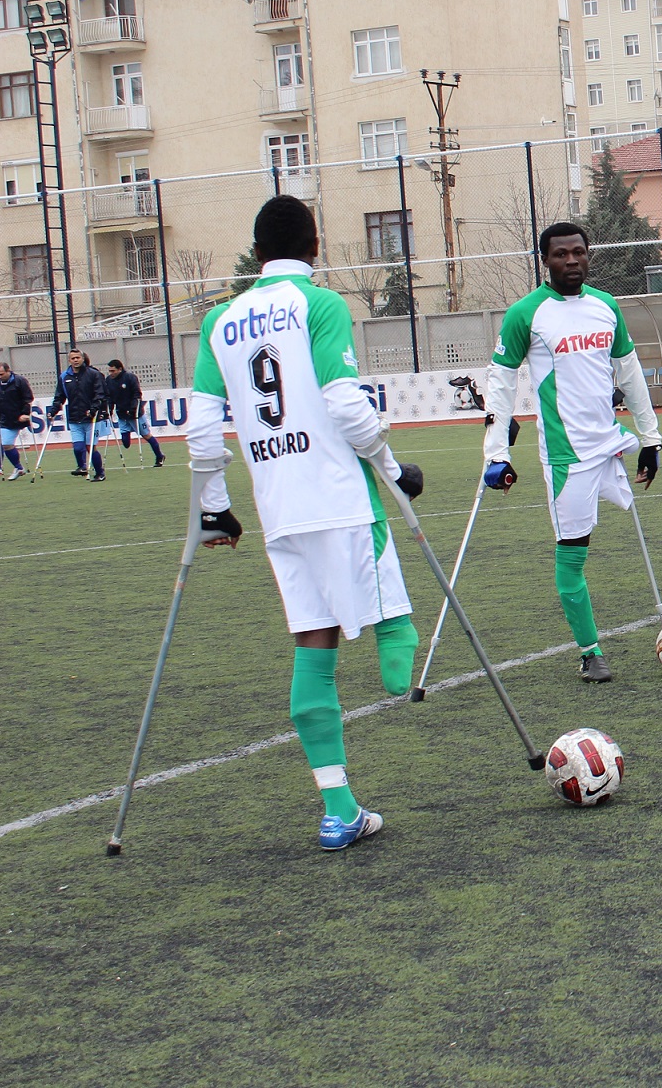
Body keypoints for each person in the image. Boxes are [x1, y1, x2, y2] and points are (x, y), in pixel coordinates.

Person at [186, 195, 424, 851]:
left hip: (278, 511)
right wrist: (392, 465)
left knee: (312, 651)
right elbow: (345, 405)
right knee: (395, 631)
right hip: (341, 498)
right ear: (314, 246)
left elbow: (204, 429)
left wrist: (213, 507)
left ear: (255, 250)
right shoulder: (320, 305)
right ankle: (394, 650)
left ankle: (338, 808)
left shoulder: (220, 320)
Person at [482, 221, 662, 683]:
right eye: (560, 254)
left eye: (578, 252)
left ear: (589, 254)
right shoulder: (527, 313)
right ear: (545, 260)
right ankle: (589, 651)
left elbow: (629, 373)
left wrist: (650, 439)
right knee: (573, 554)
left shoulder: (606, 306)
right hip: (565, 457)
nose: (571, 261)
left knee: (623, 539)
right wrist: (496, 453)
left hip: (611, 446)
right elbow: (500, 384)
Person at [48, 349, 108, 480]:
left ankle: (100, 473)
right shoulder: (64, 377)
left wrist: (93, 409)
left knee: (90, 447)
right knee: (77, 447)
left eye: (77, 357)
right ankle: (82, 467)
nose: (75, 360)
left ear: (82, 359)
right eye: (73, 358)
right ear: (69, 360)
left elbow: (99, 394)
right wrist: (53, 411)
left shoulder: (93, 374)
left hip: (91, 418)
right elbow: (59, 397)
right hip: (74, 418)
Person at [104, 359, 166, 468]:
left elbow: (137, 394)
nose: (111, 373)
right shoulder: (109, 380)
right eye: (110, 371)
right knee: (126, 443)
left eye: (113, 371)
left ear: (120, 369)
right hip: (122, 415)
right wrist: (109, 409)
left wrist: (133, 408)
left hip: (135, 414)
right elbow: (109, 397)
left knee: (146, 435)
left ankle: (159, 456)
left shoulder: (130, 377)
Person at [0, 361, 32, 481]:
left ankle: (18, 467)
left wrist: (25, 413)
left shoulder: (19, 381)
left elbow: (28, 398)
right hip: (4, 418)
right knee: (3, 443)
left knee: (7, 444)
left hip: (18, 417)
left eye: (1, 374)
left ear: (8, 371)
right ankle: (13, 467)